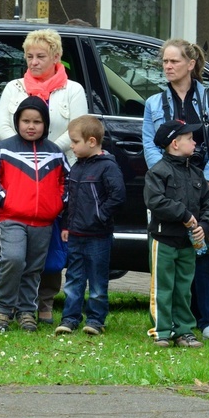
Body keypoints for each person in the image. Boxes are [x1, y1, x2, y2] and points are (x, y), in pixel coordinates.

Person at [0, 28, 88, 325]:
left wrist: (47, 152)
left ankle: (43, 302)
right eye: (29, 57)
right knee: (18, 251)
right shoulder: (14, 87)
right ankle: (12, 306)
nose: (33, 62)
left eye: (40, 57)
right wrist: (23, 153)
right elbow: (3, 129)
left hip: (58, 169)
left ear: (56, 57)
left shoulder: (72, 90)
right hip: (19, 175)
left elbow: (76, 131)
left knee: (50, 248)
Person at [141, 38, 209, 341]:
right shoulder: (154, 103)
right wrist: (168, 182)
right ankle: (168, 325)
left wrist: (206, 181)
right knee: (167, 258)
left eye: (174, 61)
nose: (167, 66)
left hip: (204, 182)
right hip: (169, 188)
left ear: (190, 65)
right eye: (164, 62)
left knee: (202, 250)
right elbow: (151, 147)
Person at [0, 97, 69, 332]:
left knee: (33, 268)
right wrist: (5, 200)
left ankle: (27, 311)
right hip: (12, 219)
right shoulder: (4, 148)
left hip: (44, 223)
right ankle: (2, 310)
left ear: (46, 124)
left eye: (37, 122)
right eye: (26, 121)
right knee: (13, 259)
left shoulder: (55, 153)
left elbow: (67, 182)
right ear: (17, 122)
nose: (31, 126)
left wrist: (58, 203)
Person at [144, 120, 209, 348]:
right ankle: (162, 332)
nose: (195, 142)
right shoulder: (157, 172)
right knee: (162, 288)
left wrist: (203, 226)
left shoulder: (196, 173)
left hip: (188, 243)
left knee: (184, 289)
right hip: (163, 240)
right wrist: (183, 214)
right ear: (175, 143)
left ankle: (184, 331)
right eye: (190, 138)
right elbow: (155, 201)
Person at [54, 115, 125, 336]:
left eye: (75, 142)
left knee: (97, 280)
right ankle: (70, 318)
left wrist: (100, 216)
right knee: (74, 278)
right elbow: (70, 199)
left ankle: (96, 320)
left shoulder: (107, 167)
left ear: (91, 141)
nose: (72, 146)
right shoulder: (76, 167)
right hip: (75, 234)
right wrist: (67, 224)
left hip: (98, 235)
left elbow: (118, 196)